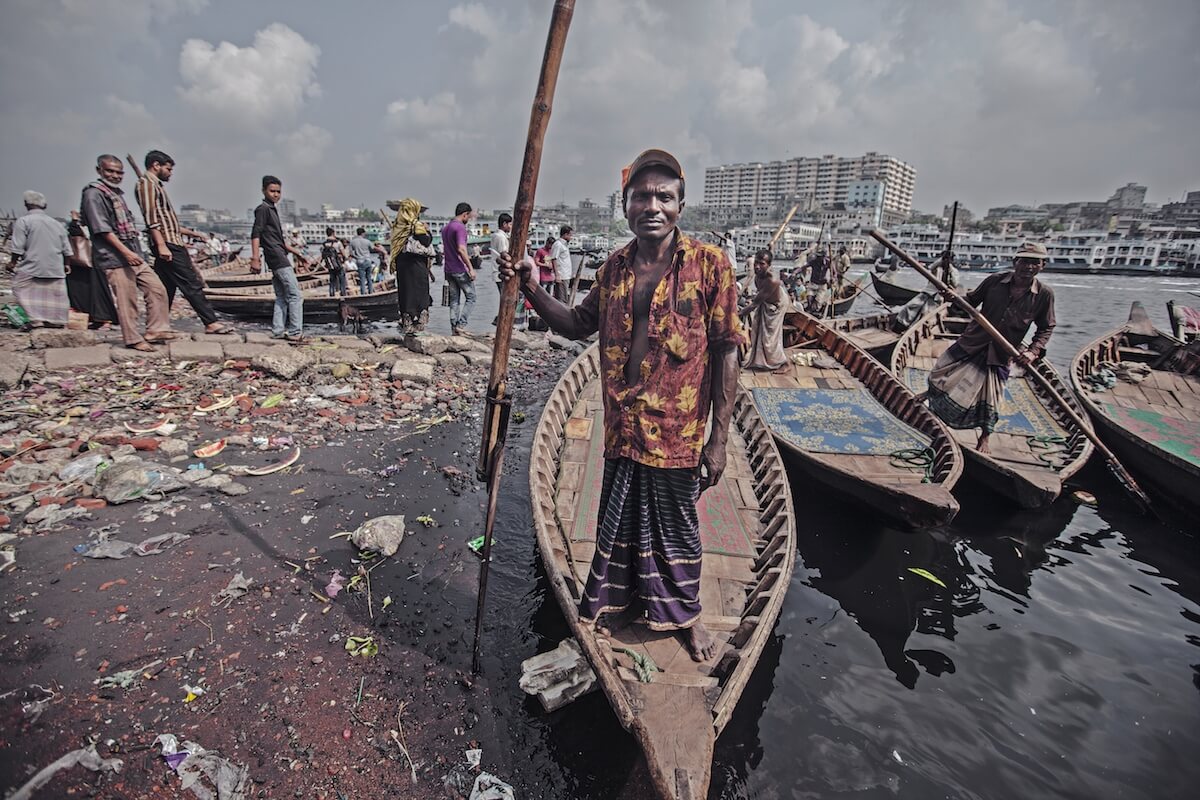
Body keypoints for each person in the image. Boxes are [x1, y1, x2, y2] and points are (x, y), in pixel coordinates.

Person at [499, 148, 747, 662]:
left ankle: (687, 617)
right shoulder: (613, 268)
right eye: (641, 196)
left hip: (677, 430)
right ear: (625, 204)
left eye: (664, 196)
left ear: (681, 205)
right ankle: (630, 602)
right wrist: (529, 285)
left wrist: (718, 439)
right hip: (623, 424)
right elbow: (575, 324)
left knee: (678, 527)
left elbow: (727, 351)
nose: (652, 205)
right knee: (621, 518)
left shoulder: (710, 265)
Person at [926, 242, 1056, 453]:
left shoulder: (1043, 295)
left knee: (991, 399)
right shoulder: (995, 281)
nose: (1028, 267)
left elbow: (1046, 327)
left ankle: (984, 438)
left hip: (1001, 352)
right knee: (940, 374)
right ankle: (931, 402)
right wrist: (954, 299)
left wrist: (1033, 351)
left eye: (1034, 263)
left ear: (1042, 266)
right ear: (1015, 262)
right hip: (973, 341)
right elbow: (970, 302)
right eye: (1024, 261)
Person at [134, 150, 233, 335]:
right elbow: (151, 219)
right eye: (168, 169)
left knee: (166, 287)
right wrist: (162, 245)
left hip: (171, 240)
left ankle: (157, 326)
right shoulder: (146, 184)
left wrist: (191, 233)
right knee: (191, 282)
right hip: (168, 243)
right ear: (156, 165)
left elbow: (167, 221)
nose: (170, 173)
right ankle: (210, 322)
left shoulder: (156, 185)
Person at [80, 154, 172, 351]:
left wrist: (133, 253)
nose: (115, 175)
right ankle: (132, 338)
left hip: (133, 252)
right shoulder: (93, 194)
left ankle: (156, 329)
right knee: (126, 299)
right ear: (99, 171)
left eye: (119, 172)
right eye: (110, 171)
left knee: (157, 289)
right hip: (114, 256)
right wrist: (126, 253)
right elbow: (102, 229)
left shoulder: (116, 194)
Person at [251, 175, 310, 341]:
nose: (276, 194)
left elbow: (279, 241)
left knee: (282, 296)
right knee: (295, 296)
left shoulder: (271, 209)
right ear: (264, 191)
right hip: (277, 258)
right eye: (272, 191)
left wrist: (298, 253)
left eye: (278, 191)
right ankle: (295, 332)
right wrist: (255, 258)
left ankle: (278, 331)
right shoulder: (263, 209)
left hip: (278, 255)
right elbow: (256, 234)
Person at [7, 191, 71, 329]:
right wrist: (66, 264)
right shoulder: (57, 224)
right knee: (54, 295)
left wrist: (12, 263)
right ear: (45, 206)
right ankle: (55, 320)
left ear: (26, 204)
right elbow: (67, 249)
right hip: (55, 266)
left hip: (32, 266)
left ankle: (36, 319)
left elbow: (18, 247)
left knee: (19, 287)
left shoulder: (23, 221)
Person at [65, 210, 118, 330]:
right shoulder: (99, 227)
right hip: (95, 263)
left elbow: (74, 233)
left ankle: (100, 319)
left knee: (87, 292)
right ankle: (99, 319)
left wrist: (74, 220)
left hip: (84, 265)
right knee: (97, 292)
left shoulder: (83, 228)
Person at [389, 198, 435, 334]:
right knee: (420, 292)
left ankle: (406, 321)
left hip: (402, 264)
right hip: (416, 265)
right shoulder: (416, 225)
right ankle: (418, 324)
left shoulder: (397, 225)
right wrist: (427, 230)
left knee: (406, 291)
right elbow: (426, 241)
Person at [741, 249, 790, 372]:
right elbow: (758, 296)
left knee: (771, 336)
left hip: (777, 305)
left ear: (768, 265)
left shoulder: (772, 280)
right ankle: (760, 360)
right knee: (759, 331)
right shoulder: (758, 275)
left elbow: (754, 304)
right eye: (756, 263)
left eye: (762, 264)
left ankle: (783, 363)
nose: (757, 266)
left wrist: (736, 314)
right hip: (766, 302)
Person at [442, 202, 476, 335]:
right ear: (464, 214)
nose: (469, 219)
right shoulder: (460, 228)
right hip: (459, 269)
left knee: (454, 299)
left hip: (448, 270)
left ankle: (454, 328)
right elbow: (461, 249)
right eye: (469, 216)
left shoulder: (446, 228)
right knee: (471, 297)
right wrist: (471, 268)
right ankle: (461, 325)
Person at [320, 227, 348, 297]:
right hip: (338, 263)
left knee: (332, 280)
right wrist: (344, 260)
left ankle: (331, 294)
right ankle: (343, 294)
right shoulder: (338, 243)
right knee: (342, 279)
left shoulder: (324, 244)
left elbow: (322, 254)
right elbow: (343, 253)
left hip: (329, 264)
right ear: (333, 233)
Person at [549, 224, 574, 302]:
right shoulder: (558, 245)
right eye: (570, 235)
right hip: (561, 275)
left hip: (566, 274)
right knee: (561, 298)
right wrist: (557, 275)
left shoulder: (564, 245)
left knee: (565, 296)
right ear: (565, 234)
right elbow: (554, 259)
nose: (571, 237)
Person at [349, 227, 375, 294]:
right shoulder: (367, 241)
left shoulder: (352, 242)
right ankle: (371, 292)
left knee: (362, 279)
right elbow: (372, 248)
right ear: (363, 233)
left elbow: (351, 253)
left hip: (360, 261)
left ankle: (363, 293)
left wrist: (356, 257)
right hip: (368, 260)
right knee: (369, 277)